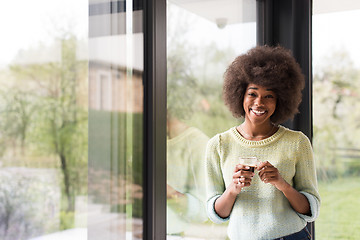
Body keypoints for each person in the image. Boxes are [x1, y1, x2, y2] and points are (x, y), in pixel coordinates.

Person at [205, 45, 320, 240]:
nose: (259, 102)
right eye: (252, 93)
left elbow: (311, 209)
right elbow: (217, 214)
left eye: (269, 96)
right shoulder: (219, 145)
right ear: (240, 94)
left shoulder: (297, 142)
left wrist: (281, 183)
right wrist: (233, 188)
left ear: (280, 101)